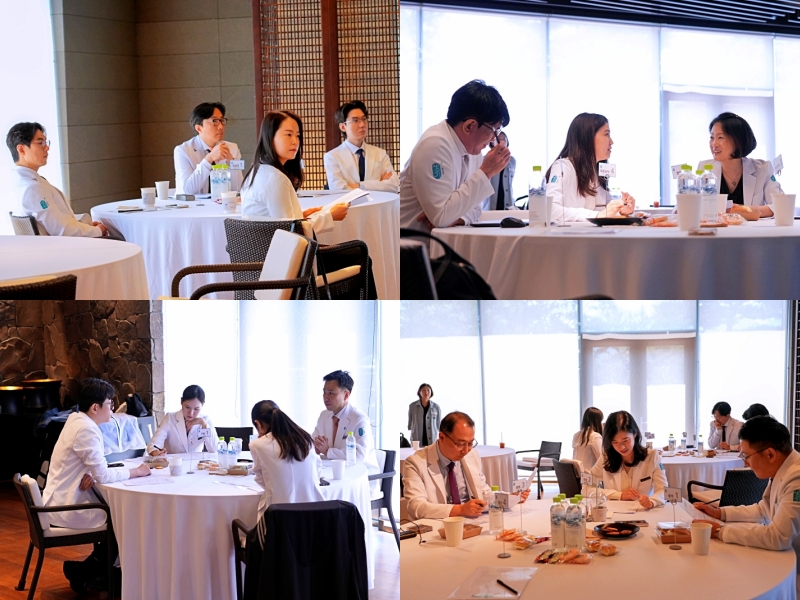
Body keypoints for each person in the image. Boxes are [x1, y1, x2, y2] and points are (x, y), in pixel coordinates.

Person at [42, 378, 150, 591]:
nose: (113, 409)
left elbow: (92, 466)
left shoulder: (76, 420)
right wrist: (136, 472)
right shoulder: (86, 429)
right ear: (95, 407)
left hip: (59, 497)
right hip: (65, 505)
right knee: (124, 519)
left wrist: (92, 472)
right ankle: (109, 576)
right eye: (110, 404)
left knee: (120, 516)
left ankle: (90, 572)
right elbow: (103, 474)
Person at [693, 416, 800, 592]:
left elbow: (778, 537)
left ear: (770, 454)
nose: (745, 461)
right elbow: (763, 509)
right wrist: (720, 513)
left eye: (746, 455)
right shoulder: (783, 468)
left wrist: (720, 531)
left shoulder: (796, 478)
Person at [399, 80, 511, 231]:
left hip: (442, 239)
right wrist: (486, 172)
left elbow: (476, 208)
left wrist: (458, 218)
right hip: (411, 241)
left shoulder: (473, 150)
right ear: (469, 126)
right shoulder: (434, 144)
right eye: (494, 130)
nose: (493, 139)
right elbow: (441, 217)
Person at [404, 411, 531, 520]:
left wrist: (509, 497)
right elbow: (416, 506)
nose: (465, 450)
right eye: (460, 444)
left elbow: (483, 493)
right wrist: (460, 510)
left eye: (470, 443)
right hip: (436, 527)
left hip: (471, 523)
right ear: (442, 437)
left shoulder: (472, 455)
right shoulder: (416, 463)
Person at [241, 110, 348, 234]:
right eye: (288, 134)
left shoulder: (258, 170)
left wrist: (301, 215)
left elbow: (277, 220)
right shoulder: (275, 178)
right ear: (270, 137)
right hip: (276, 245)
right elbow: (291, 232)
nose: (295, 141)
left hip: (263, 244)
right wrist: (329, 216)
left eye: (297, 136)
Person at [7, 122, 109, 237]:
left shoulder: (22, 183)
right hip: (62, 246)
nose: (47, 147)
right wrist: (98, 231)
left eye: (46, 142)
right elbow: (62, 231)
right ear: (21, 149)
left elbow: (58, 222)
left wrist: (87, 227)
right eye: (40, 143)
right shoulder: (32, 188)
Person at [546, 113, 636, 222]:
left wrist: (622, 209)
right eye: (606, 134)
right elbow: (550, 209)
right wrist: (597, 216)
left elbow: (605, 211)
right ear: (588, 138)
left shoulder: (596, 171)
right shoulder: (563, 167)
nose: (611, 141)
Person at [697, 112, 782, 220]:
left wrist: (742, 210)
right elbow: (691, 204)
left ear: (738, 140)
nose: (714, 144)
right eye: (712, 137)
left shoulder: (762, 169)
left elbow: (780, 206)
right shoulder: (705, 168)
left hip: (751, 230)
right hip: (717, 229)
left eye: (720, 137)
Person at [249, 400, 324, 520]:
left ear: (258, 424)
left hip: (279, 520)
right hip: (315, 517)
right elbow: (317, 469)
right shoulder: (305, 438)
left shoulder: (257, 445)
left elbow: (262, 480)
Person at [588, 410, 667, 508]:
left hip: (642, 512)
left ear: (635, 434)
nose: (621, 447)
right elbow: (586, 488)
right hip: (614, 512)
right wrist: (619, 495)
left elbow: (663, 489)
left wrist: (652, 501)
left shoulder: (652, 456)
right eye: (615, 442)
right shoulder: (606, 457)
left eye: (625, 440)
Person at [311, 370, 379, 474]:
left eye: (331, 393)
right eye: (324, 392)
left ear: (346, 395)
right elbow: (313, 442)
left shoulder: (360, 419)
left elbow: (359, 456)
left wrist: (328, 451)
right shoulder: (324, 416)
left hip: (361, 475)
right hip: (332, 471)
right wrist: (315, 448)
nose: (325, 398)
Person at [324, 100, 399, 192]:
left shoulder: (380, 153)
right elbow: (338, 190)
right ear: (343, 127)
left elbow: (393, 186)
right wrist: (378, 184)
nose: (362, 125)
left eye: (364, 119)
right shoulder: (332, 157)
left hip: (377, 202)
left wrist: (359, 186)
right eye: (355, 120)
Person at [174, 102, 243, 195]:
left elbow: (240, 189)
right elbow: (187, 191)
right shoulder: (183, 151)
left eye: (222, 120)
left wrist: (231, 162)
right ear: (199, 128)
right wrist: (209, 159)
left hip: (222, 203)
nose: (221, 126)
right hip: (195, 204)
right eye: (215, 121)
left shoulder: (233, 148)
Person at [146, 385, 217, 455]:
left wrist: (203, 424)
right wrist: (156, 452)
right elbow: (153, 446)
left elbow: (214, 449)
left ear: (202, 405)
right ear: (181, 402)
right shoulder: (170, 418)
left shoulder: (205, 420)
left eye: (196, 409)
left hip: (196, 462)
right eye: (187, 407)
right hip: (174, 462)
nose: (191, 413)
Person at [481, 132, 518, 211]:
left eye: (504, 139)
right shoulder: (484, 159)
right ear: (492, 142)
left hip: (508, 203)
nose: (502, 142)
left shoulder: (512, 161)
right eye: (499, 139)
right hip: (490, 205)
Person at [408, 383, 441, 447]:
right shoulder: (412, 406)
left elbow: (439, 424)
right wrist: (410, 427)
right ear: (419, 392)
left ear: (431, 392)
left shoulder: (436, 407)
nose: (426, 392)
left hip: (432, 437)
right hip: (417, 437)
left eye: (428, 390)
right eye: (423, 390)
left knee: (431, 452)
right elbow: (410, 420)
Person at [572, 407, 603, 472]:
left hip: (577, 475)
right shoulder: (595, 436)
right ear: (597, 422)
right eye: (601, 421)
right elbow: (602, 461)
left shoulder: (576, 435)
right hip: (590, 476)